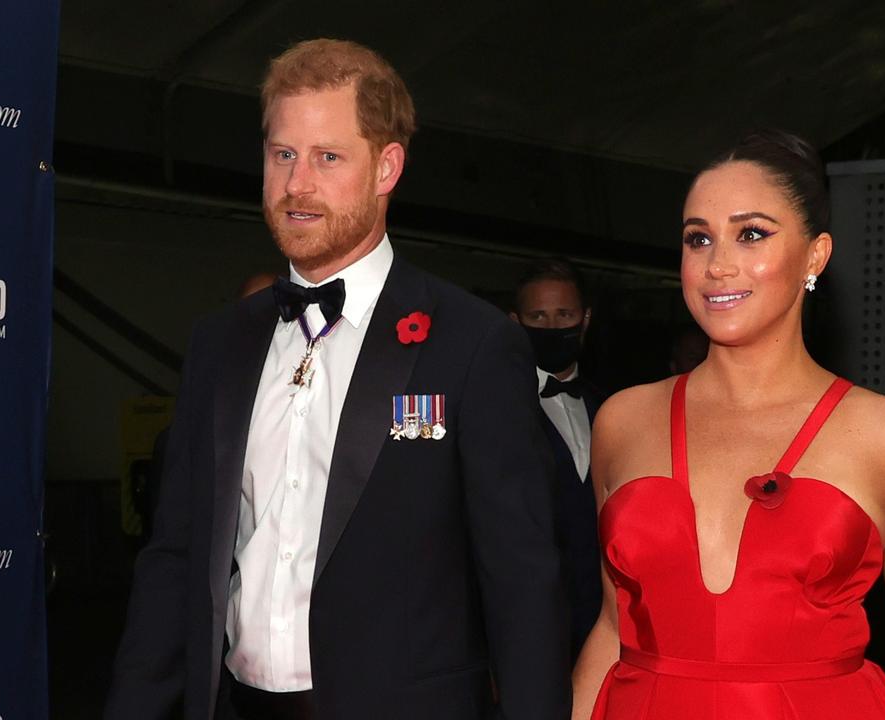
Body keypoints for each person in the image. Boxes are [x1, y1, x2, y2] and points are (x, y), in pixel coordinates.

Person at [105, 39, 570, 720]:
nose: (297, 184)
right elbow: (174, 558)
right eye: (282, 154)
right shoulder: (220, 341)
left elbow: (523, 585)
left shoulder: (471, 343)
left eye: (328, 157)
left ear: (387, 167)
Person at [571, 130, 885, 719]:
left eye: (751, 234)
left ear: (816, 255)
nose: (718, 264)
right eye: (697, 238)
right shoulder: (622, 420)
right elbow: (612, 625)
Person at [510, 258, 605, 664]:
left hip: (605, 629)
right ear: (515, 323)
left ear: (584, 320)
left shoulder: (611, 408)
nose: (551, 327)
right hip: (526, 635)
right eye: (538, 316)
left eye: (564, 314)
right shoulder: (493, 408)